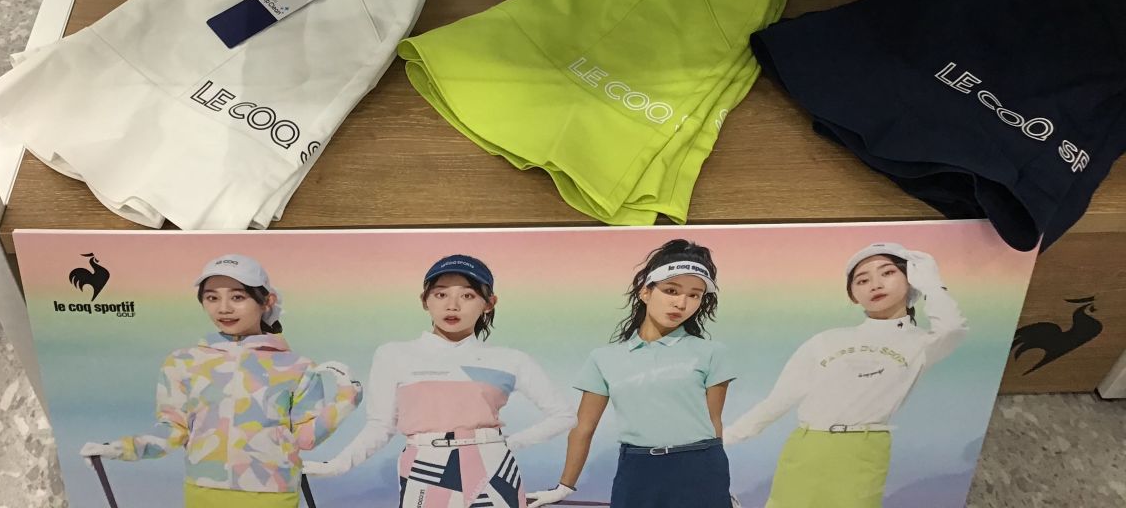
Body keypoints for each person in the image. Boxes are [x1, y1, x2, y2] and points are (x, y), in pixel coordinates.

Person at [79, 253, 361, 508]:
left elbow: (305, 438)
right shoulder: (183, 362)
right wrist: (119, 448)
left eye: (237, 297)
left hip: (272, 495)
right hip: (204, 492)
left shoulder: (297, 367)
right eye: (212, 298)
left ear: (267, 301)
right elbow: (172, 432)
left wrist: (348, 398)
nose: (223, 308)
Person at [303, 254, 576, 507]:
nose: (452, 305)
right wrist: (336, 465)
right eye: (441, 294)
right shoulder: (394, 354)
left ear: (489, 303)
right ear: (425, 300)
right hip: (425, 467)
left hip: (494, 468)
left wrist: (510, 443)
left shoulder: (510, 359)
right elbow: (381, 426)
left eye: (467, 295)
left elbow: (564, 416)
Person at [722, 242, 969, 508]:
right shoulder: (826, 341)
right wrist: (723, 439)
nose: (875, 285)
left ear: (911, 280)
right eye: (862, 280)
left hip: (864, 448)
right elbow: (777, 401)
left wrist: (931, 284)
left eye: (887, 273)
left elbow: (952, 328)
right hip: (807, 445)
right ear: (852, 294)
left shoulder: (921, 344)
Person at [528, 238, 735, 508]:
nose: (681, 303)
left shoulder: (711, 353)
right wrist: (564, 487)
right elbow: (583, 428)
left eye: (694, 295)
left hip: (700, 467)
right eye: (671, 290)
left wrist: (719, 485)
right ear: (645, 292)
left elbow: (714, 424)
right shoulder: (604, 358)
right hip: (637, 470)